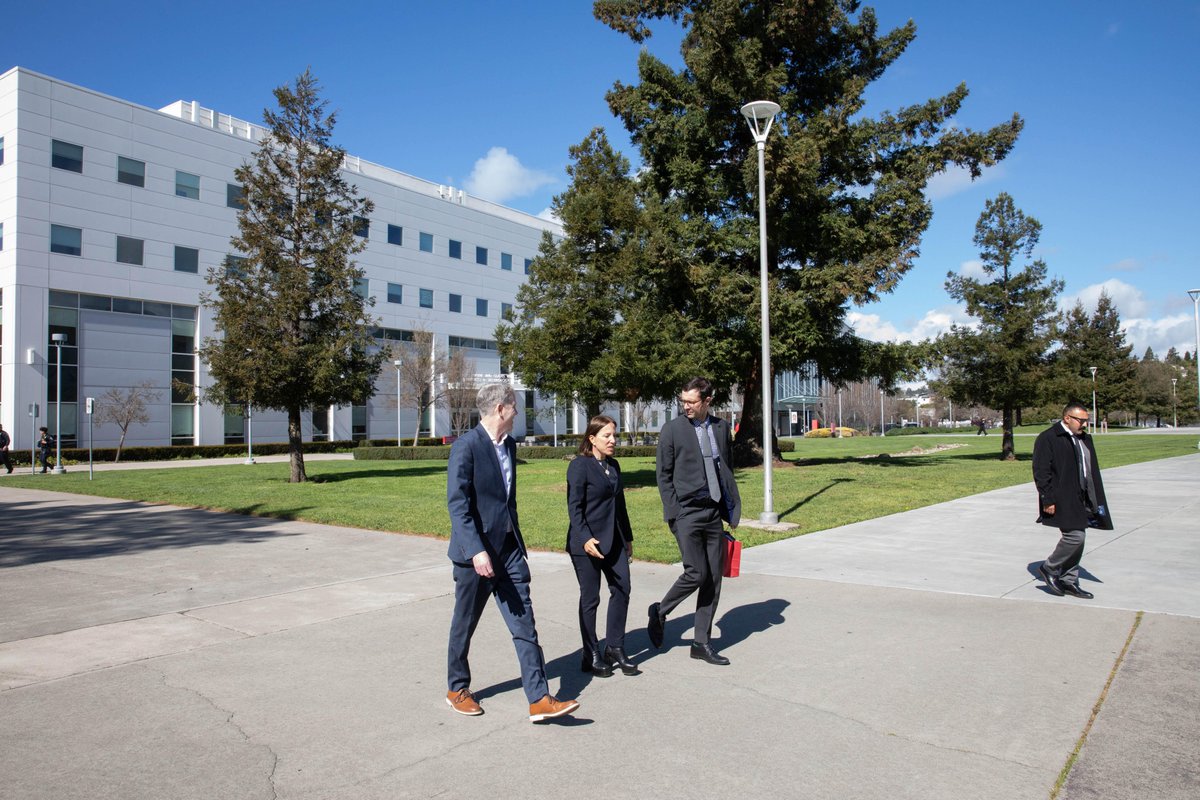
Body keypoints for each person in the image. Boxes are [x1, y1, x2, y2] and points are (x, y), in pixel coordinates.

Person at [445, 383, 580, 723]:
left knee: (525, 625)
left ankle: (539, 698)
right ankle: (457, 688)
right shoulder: (466, 447)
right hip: (475, 556)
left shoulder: (510, 445)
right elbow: (458, 506)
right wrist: (476, 551)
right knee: (464, 625)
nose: (518, 413)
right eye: (515, 407)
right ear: (500, 409)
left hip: (509, 552)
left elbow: (507, 500)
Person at [648, 377, 741, 665]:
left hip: (713, 512)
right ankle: (660, 611)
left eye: (691, 402)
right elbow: (663, 475)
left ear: (707, 400)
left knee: (713, 579)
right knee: (695, 572)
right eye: (683, 401)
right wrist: (674, 512)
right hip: (686, 513)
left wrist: (730, 508)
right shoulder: (672, 430)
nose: (685, 406)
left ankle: (701, 642)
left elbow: (726, 468)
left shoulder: (721, 429)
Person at [566, 415, 638, 678]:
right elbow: (574, 508)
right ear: (592, 439)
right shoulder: (579, 467)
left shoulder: (614, 466)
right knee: (591, 598)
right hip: (586, 544)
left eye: (614, 436)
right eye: (607, 436)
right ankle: (590, 653)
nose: (613, 441)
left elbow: (620, 505)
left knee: (623, 588)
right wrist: (584, 538)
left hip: (615, 539)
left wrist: (628, 538)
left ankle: (615, 647)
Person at [1032, 402, 1113, 599]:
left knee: (1080, 537)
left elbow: (1088, 468)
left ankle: (1069, 580)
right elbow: (1041, 472)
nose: (1084, 424)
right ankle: (1050, 568)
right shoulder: (1049, 438)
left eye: (1087, 420)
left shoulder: (1084, 438)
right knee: (1075, 537)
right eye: (1081, 420)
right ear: (1067, 418)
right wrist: (1047, 499)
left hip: (1082, 496)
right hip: (1061, 497)